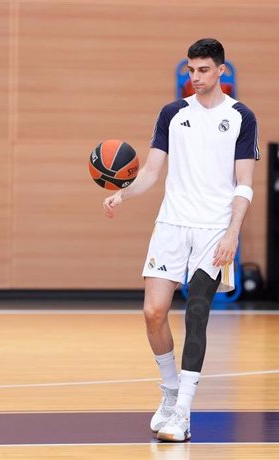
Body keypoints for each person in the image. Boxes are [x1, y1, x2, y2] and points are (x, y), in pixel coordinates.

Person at [103, 38, 259, 442]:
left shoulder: (242, 117)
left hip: (214, 230)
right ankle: (170, 392)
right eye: (191, 70)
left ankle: (184, 412)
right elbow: (153, 172)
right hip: (172, 224)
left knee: (197, 311)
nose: (195, 77)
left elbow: (244, 184)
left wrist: (232, 233)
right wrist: (124, 192)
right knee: (153, 312)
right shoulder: (172, 113)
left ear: (221, 70)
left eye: (203, 70)